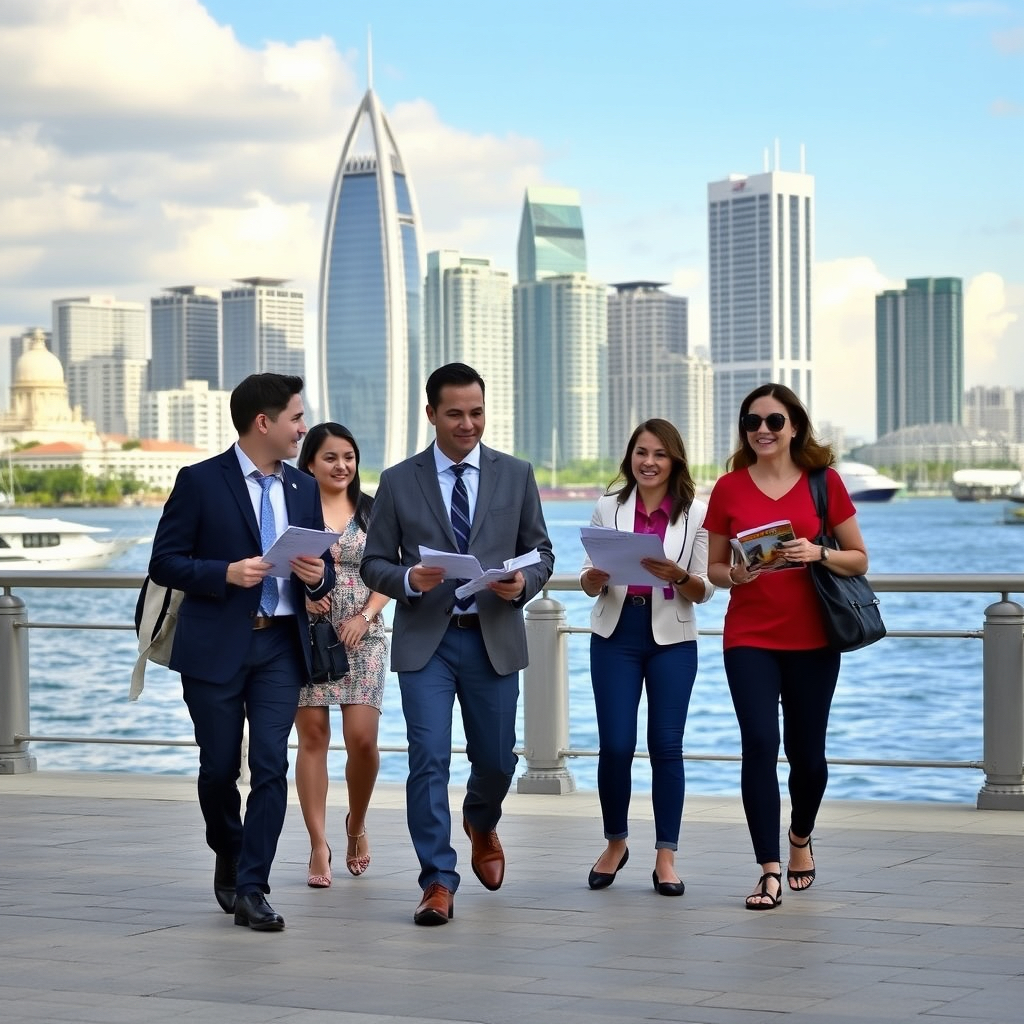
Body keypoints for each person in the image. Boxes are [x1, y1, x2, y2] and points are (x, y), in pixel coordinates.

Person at [361, 362, 554, 926]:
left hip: (494, 637)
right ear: (431, 414)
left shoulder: (515, 474)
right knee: (428, 758)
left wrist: (523, 582)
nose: (468, 424)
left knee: (496, 759)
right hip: (428, 643)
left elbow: (542, 553)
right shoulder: (398, 480)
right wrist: (406, 579)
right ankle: (437, 881)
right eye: (455, 414)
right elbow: (373, 562)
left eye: (477, 412)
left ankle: (480, 819)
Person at [149, 373, 335, 932]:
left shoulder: (302, 487)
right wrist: (225, 573)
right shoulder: (200, 481)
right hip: (214, 647)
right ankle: (228, 850)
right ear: (263, 422)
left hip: (281, 645)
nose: (303, 429)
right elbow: (165, 562)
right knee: (217, 769)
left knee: (271, 764)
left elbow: (321, 573)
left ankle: (253, 887)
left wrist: (317, 576)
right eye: (296, 418)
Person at [704, 383, 868, 911]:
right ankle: (768, 870)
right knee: (758, 745)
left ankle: (800, 836)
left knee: (808, 757)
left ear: (794, 426)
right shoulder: (729, 488)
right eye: (752, 422)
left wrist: (818, 552)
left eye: (774, 421)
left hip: (815, 637)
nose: (763, 431)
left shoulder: (825, 481)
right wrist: (736, 574)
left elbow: (859, 558)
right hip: (748, 636)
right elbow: (714, 569)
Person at [580, 419, 714, 897]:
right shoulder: (608, 506)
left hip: (672, 638)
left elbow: (704, 589)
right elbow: (587, 577)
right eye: (641, 452)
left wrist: (678, 575)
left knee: (666, 746)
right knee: (616, 745)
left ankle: (665, 856)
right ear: (630, 457)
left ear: (674, 460)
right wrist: (592, 578)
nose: (649, 462)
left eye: (659, 454)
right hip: (615, 633)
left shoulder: (696, 514)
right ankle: (616, 843)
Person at [295, 423, 389, 886]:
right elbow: (277, 563)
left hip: (363, 634)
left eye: (348, 457)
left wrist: (366, 617)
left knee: (362, 739)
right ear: (310, 462)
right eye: (330, 457)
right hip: (307, 635)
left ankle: (356, 824)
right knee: (313, 737)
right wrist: (302, 596)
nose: (341, 466)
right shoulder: (294, 508)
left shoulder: (373, 510)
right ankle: (318, 844)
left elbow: (392, 570)